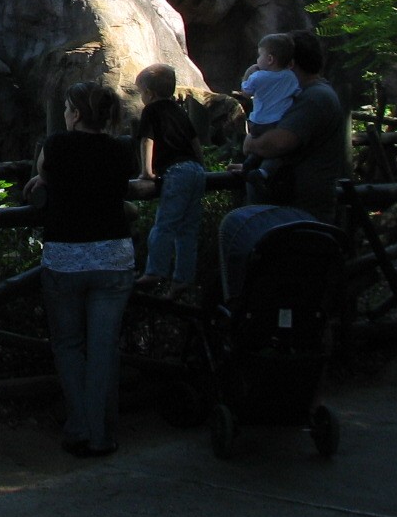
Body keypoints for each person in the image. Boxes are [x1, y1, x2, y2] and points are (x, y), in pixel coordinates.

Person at [25, 82, 135, 458]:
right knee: (103, 348)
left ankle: (79, 427)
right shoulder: (122, 150)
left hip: (66, 258)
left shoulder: (56, 145)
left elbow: (44, 176)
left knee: (70, 346)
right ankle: (102, 433)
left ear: (75, 113)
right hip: (114, 257)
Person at [217, 31, 350, 299]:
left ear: (288, 63)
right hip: (289, 207)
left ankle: (236, 311)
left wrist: (250, 144)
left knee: (233, 226)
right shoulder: (303, 95)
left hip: (300, 213)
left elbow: (277, 144)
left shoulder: (315, 97)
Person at [133, 64, 206, 299]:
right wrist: (201, 165)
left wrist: (146, 172)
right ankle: (183, 278)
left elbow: (147, 140)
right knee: (188, 229)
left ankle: (154, 271)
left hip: (176, 172)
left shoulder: (151, 111)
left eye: (140, 92)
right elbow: (195, 142)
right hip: (195, 170)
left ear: (149, 93)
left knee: (164, 225)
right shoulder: (179, 110)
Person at [238, 33, 300, 183]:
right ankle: (264, 171)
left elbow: (245, 93)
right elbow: (297, 93)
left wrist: (247, 74)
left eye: (260, 56)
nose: (258, 60)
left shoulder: (258, 77)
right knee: (277, 154)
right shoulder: (291, 77)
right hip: (278, 123)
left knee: (256, 148)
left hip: (258, 123)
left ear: (270, 59)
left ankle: (247, 168)